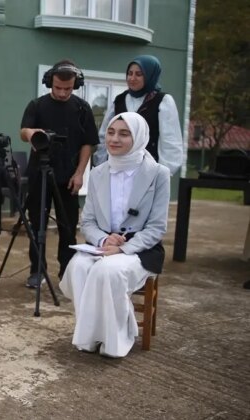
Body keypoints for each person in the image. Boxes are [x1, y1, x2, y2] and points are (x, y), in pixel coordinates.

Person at [59, 112, 170, 358]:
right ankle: (91, 336)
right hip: (103, 244)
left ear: (139, 137)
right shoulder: (98, 172)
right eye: (110, 132)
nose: (114, 139)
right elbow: (87, 221)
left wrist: (122, 248)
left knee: (106, 271)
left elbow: (156, 228)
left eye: (124, 133)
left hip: (140, 249)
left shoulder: (158, 174)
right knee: (77, 267)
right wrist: (103, 240)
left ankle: (117, 339)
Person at [20, 59, 99, 288]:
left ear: (75, 84)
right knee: (37, 226)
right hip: (39, 173)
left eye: (68, 88)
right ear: (49, 83)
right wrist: (32, 133)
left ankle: (67, 271)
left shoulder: (83, 108)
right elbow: (24, 130)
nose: (63, 92)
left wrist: (80, 173)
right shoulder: (36, 105)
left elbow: (88, 144)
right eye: (58, 88)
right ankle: (37, 271)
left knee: (67, 226)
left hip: (68, 176)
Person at [93, 55, 183, 176]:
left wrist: (162, 173)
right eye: (130, 73)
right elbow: (104, 136)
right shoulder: (119, 100)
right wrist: (101, 167)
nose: (132, 78)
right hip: (117, 171)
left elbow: (171, 142)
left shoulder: (163, 101)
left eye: (139, 74)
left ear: (150, 75)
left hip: (148, 172)